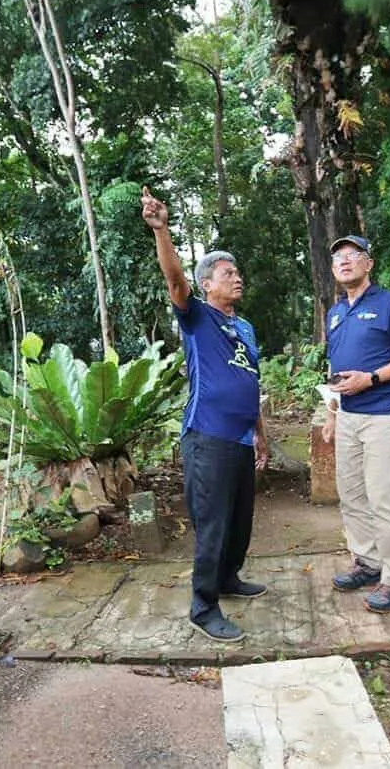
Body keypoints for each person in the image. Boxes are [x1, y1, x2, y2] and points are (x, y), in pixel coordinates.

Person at [142, 186, 269, 643]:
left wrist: (260, 433)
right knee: (213, 523)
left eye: (237, 272)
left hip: (239, 438)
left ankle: (229, 579)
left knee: (239, 521)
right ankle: (203, 605)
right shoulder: (196, 316)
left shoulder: (247, 326)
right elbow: (175, 280)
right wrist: (162, 231)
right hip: (207, 436)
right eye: (227, 273)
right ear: (207, 285)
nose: (237, 278)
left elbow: (251, 379)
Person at [321, 235, 390, 613]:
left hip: (385, 415)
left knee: (385, 499)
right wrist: (331, 414)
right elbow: (333, 369)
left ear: (369, 263)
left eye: (353, 256)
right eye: (338, 259)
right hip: (348, 416)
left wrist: (372, 378)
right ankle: (367, 562)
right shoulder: (334, 313)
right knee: (351, 496)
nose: (344, 262)